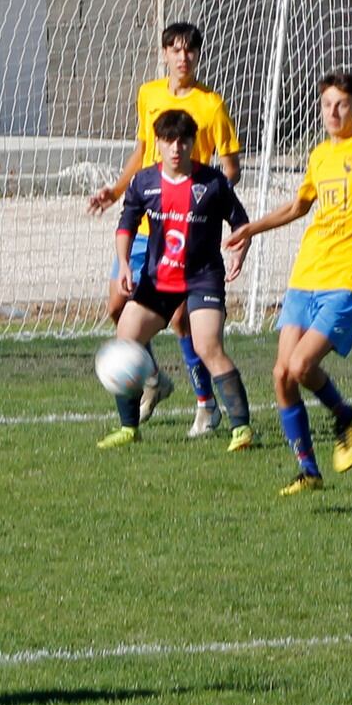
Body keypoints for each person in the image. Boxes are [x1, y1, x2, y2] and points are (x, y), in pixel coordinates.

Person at [225, 71, 352, 494]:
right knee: (281, 374)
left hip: (348, 280)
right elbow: (300, 205)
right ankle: (308, 471)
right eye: (327, 104)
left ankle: (344, 415)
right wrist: (251, 228)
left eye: (342, 105)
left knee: (300, 366)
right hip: (307, 273)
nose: (333, 112)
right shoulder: (319, 155)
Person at [89, 22, 244, 437]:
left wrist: (208, 190)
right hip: (145, 221)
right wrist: (116, 190)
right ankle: (152, 377)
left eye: (190, 50)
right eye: (175, 49)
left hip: (188, 227)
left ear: (197, 56)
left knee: (181, 322)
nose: (182, 57)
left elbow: (231, 167)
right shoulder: (149, 94)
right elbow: (142, 151)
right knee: (117, 308)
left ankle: (206, 404)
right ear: (164, 54)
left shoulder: (211, 105)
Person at [98, 110, 253, 451]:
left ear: (193, 143)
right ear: (159, 143)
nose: (176, 148)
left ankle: (241, 429)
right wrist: (124, 263)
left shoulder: (212, 182)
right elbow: (126, 225)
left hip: (203, 279)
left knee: (207, 346)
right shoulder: (143, 182)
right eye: (169, 141)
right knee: (125, 338)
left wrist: (239, 250)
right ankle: (129, 428)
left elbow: (240, 223)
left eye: (183, 141)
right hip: (157, 281)